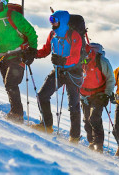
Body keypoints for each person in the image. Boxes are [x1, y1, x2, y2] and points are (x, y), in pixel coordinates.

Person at [32, 10, 83, 143]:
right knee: (42, 95)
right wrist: (32, 54)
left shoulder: (74, 35)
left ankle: (74, 137)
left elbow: (76, 56)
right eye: (50, 20)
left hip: (73, 73)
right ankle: (47, 126)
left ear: (63, 21)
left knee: (74, 105)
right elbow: (46, 50)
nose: (52, 23)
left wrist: (63, 61)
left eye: (54, 20)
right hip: (59, 71)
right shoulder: (52, 34)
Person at [80, 43, 115, 153]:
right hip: (84, 95)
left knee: (94, 118)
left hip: (99, 95)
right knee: (86, 120)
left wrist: (107, 94)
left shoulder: (102, 61)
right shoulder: (81, 60)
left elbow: (110, 79)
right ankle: (91, 142)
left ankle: (98, 145)